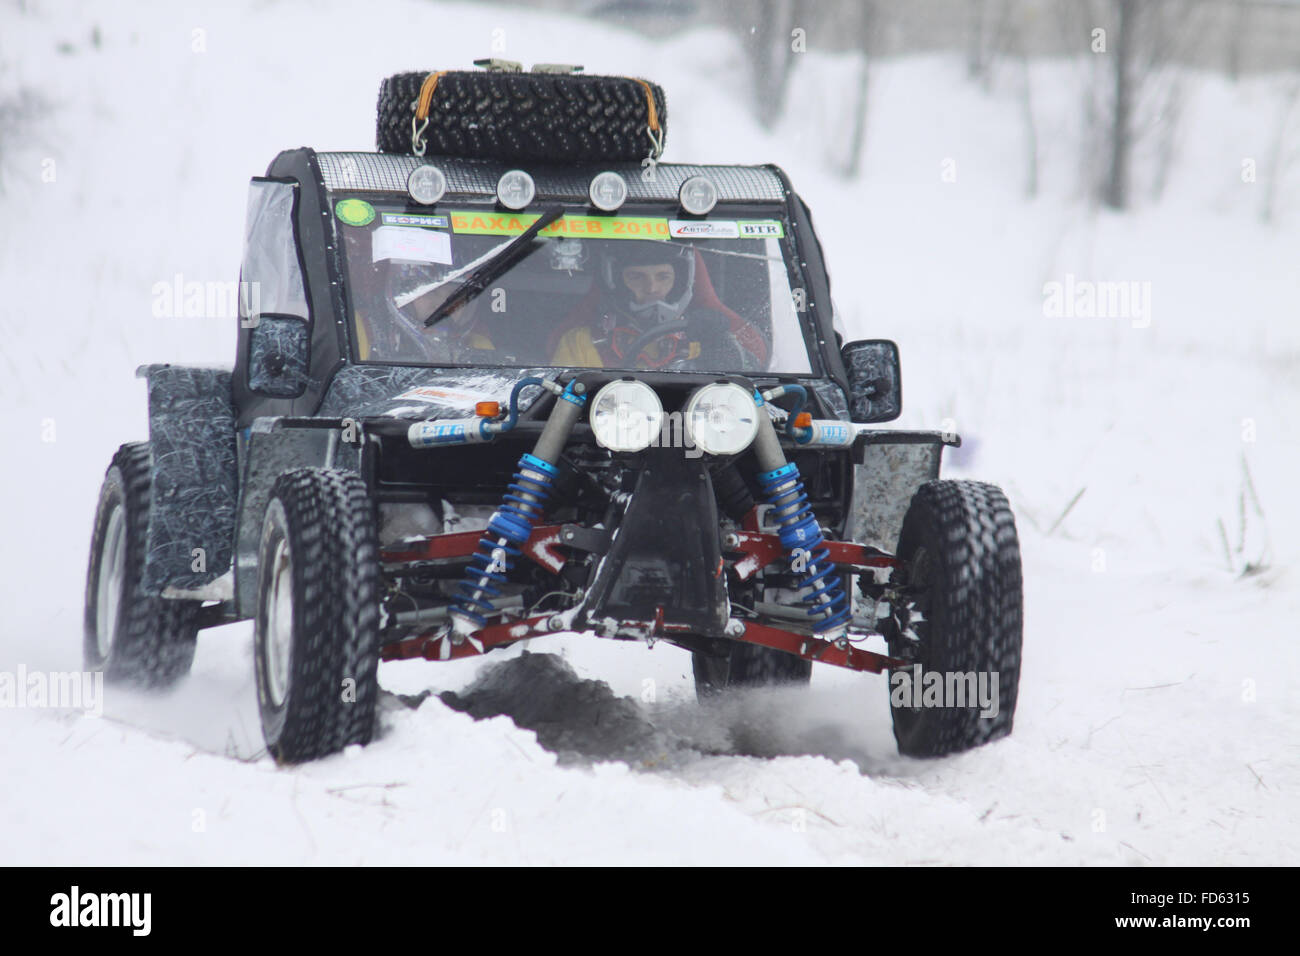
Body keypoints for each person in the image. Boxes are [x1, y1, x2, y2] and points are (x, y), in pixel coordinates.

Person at [550, 242, 750, 369]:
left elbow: (749, 390)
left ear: (679, 282)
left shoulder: (706, 340)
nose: (652, 288)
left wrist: (724, 345)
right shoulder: (582, 343)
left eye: (663, 277)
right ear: (617, 283)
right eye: (636, 277)